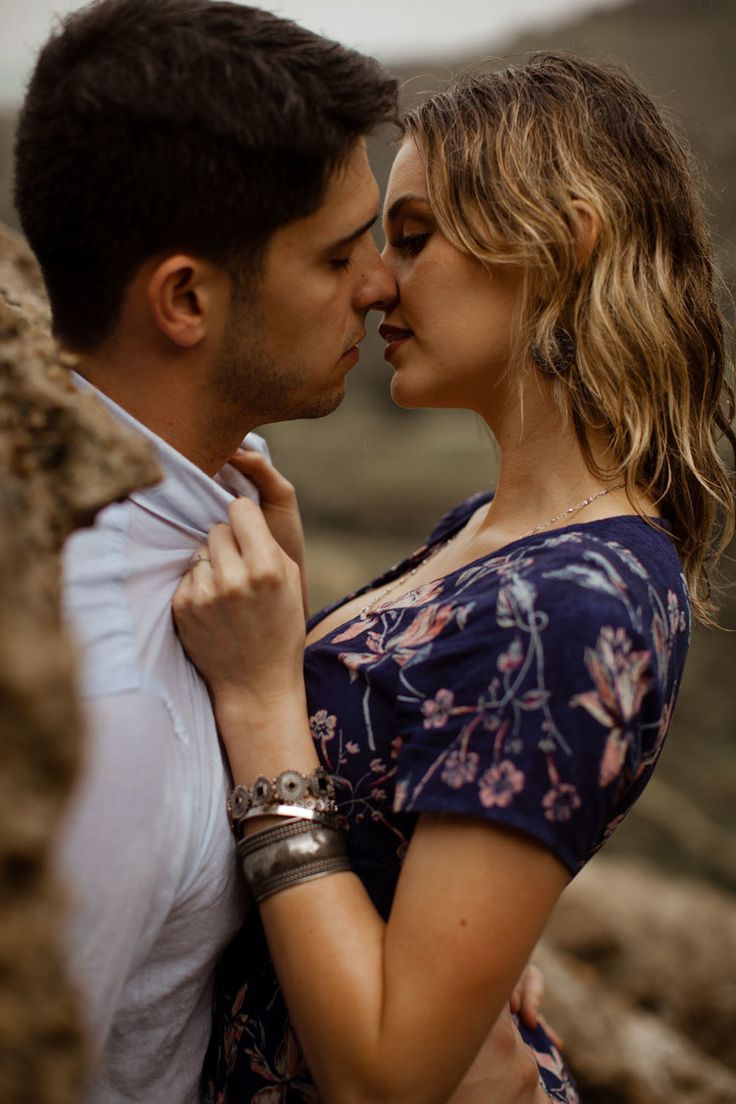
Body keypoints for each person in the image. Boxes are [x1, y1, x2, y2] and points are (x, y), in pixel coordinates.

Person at [173, 53, 736, 1104]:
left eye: (416, 237)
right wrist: (296, 619)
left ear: (566, 243)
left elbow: (388, 1074)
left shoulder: (573, 601)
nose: (377, 280)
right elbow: (396, 801)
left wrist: (259, 703)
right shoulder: (489, 534)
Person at [13, 1, 549, 1101]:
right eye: (339, 254)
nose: (380, 286)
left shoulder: (223, 498)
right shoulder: (105, 713)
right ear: (186, 299)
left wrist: (427, 921)